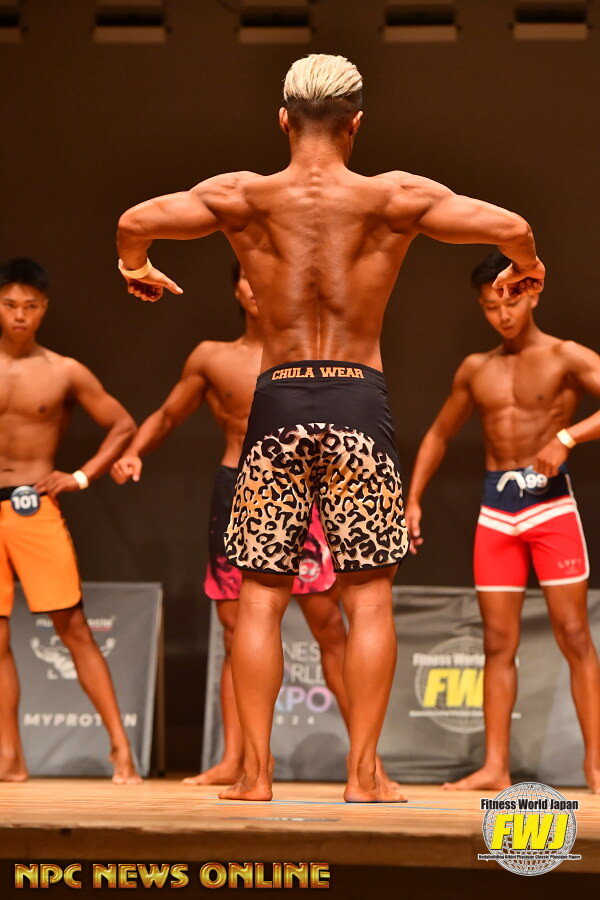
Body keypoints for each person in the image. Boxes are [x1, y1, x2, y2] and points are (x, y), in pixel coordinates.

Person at [115, 54, 544, 802]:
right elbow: (512, 228)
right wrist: (526, 267)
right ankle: (363, 775)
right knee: (367, 596)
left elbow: (134, 223)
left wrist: (135, 268)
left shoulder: (242, 196)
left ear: (283, 120)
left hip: (276, 405)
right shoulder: (394, 197)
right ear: (356, 125)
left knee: (259, 596)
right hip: (356, 405)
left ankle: (255, 776)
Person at [111, 263, 396, 787]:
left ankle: (368, 763)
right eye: (247, 276)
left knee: (331, 626)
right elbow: (169, 414)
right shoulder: (212, 357)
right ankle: (237, 760)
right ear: (238, 290)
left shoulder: (316, 353)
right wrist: (135, 451)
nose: (259, 285)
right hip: (240, 484)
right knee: (237, 624)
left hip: (316, 487)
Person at [405, 249, 600, 793]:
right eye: (490, 307)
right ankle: (495, 766)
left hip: (551, 506)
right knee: (496, 641)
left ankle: (596, 766)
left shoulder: (564, 356)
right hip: (497, 510)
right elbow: (439, 434)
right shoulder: (477, 369)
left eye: (510, 302)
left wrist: (568, 437)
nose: (502, 315)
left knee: (574, 633)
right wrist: (413, 498)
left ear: (532, 292)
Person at [0, 258, 141, 784]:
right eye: (10, 305)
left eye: (29, 306)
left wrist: (80, 477)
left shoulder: (63, 370)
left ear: (44, 309)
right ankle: (10, 759)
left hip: (33, 505)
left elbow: (122, 424)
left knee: (73, 628)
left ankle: (121, 751)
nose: (20, 315)